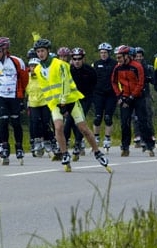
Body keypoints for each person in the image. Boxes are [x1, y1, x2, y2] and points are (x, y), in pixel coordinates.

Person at [32, 38, 110, 172]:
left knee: (83, 129)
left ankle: (97, 152)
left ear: (48, 51)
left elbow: (65, 83)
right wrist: (52, 104)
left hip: (71, 100)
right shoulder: (38, 69)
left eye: (42, 51)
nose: (40, 54)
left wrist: (63, 101)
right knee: (58, 127)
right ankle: (65, 154)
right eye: (38, 52)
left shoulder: (60, 64)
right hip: (55, 103)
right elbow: (46, 89)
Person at [0, 36, 28, 165]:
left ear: (5, 50)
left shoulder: (17, 61)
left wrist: (21, 96)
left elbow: (24, 79)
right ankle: (5, 147)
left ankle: (19, 147)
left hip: (14, 96)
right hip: (1, 96)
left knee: (16, 122)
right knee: (3, 120)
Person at [111, 45, 155, 157]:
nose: (118, 60)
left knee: (142, 121)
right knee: (124, 123)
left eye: (120, 57)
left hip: (138, 97)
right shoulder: (117, 68)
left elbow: (140, 83)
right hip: (125, 96)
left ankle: (149, 145)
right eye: (117, 57)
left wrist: (131, 97)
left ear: (127, 56)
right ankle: (125, 147)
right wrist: (119, 96)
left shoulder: (137, 66)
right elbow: (114, 82)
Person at [67, 47, 97, 160]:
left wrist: (91, 98)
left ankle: (77, 144)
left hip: (86, 98)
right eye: (74, 59)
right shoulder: (70, 70)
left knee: (79, 121)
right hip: (73, 99)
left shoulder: (90, 70)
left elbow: (95, 84)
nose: (77, 61)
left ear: (83, 59)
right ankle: (63, 147)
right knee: (69, 122)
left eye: (79, 59)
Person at [26, 50, 53, 158]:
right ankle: (37, 142)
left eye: (35, 66)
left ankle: (47, 141)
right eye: (31, 66)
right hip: (33, 103)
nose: (33, 69)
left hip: (44, 102)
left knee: (45, 123)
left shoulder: (44, 75)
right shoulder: (27, 77)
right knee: (35, 123)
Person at [91, 42, 117, 151]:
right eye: (101, 53)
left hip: (111, 94)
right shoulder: (96, 64)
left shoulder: (115, 64)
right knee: (97, 117)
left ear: (109, 53)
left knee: (107, 117)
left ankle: (107, 139)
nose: (103, 55)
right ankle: (96, 138)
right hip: (98, 94)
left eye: (105, 53)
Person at [133, 47, 155, 148]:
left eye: (140, 56)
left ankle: (150, 135)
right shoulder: (131, 67)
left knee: (147, 115)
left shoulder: (147, 67)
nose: (138, 58)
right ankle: (137, 135)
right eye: (137, 56)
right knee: (135, 116)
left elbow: (153, 80)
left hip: (145, 94)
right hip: (134, 94)